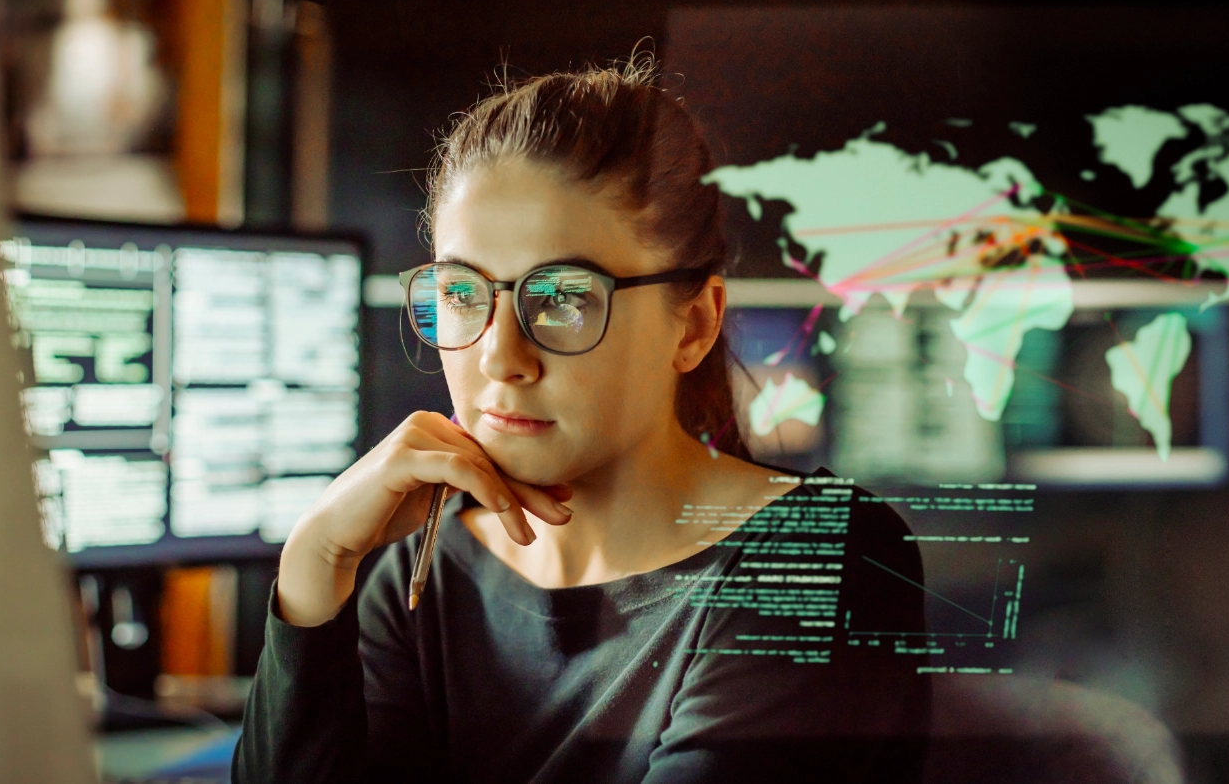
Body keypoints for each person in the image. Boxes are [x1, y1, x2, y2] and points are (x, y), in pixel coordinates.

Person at [233, 55, 930, 784]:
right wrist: (313, 560)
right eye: (462, 294)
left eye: (563, 298)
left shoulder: (821, 562)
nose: (501, 357)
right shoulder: (421, 572)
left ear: (693, 325)